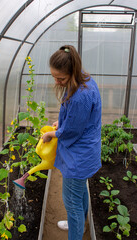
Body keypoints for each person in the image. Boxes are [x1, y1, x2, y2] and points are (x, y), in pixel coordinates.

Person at [42, 45, 102, 240]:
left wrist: (52, 134)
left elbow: (72, 131)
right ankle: (78, 222)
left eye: (61, 78)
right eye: (54, 77)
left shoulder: (80, 95)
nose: (57, 82)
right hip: (86, 151)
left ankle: (75, 229)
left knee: (72, 202)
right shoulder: (84, 80)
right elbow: (79, 119)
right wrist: (63, 121)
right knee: (79, 192)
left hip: (79, 156)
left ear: (72, 72)